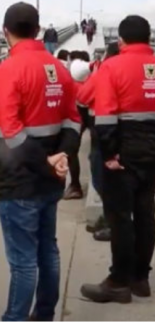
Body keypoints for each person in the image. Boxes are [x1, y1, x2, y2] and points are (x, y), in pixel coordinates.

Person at [0, 2, 81, 321]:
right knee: (49, 250)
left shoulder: (9, 70)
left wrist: (47, 161)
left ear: (6, 32)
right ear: (39, 30)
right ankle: (44, 314)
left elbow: (12, 133)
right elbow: (74, 120)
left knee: (23, 261)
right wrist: (61, 158)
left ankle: (15, 318)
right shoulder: (59, 67)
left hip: (20, 179)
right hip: (52, 179)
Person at [81, 16, 155, 304]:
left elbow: (106, 115)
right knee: (147, 214)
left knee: (121, 217)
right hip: (152, 151)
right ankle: (141, 278)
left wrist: (110, 154)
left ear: (122, 40)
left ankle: (118, 282)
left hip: (125, 148)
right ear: (147, 38)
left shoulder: (112, 66)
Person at [77, 42, 120, 243]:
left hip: (102, 132)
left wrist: (97, 71)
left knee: (102, 177)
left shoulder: (105, 72)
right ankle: (111, 219)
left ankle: (113, 223)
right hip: (130, 133)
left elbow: (83, 96)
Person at [63, 51, 91, 200]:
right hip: (93, 114)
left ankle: (75, 186)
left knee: (71, 152)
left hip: (77, 116)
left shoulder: (70, 82)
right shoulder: (95, 79)